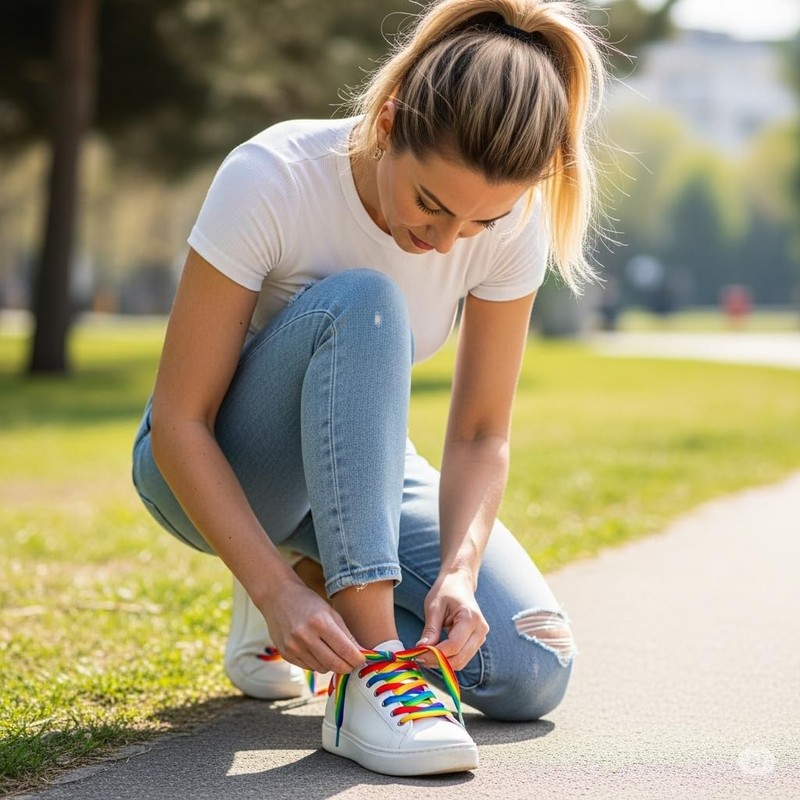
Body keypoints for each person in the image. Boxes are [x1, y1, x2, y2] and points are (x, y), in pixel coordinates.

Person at [132, 0, 605, 778]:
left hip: (360, 466)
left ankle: (324, 584)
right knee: (368, 302)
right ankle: (372, 671)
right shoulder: (272, 176)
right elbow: (182, 421)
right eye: (431, 204)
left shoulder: (512, 225)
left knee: (530, 666)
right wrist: (271, 589)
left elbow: (481, 433)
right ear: (388, 123)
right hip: (209, 468)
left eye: (480, 223)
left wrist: (458, 571)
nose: (446, 242)